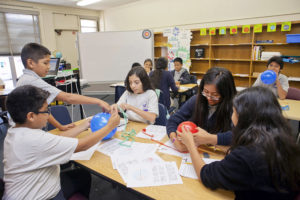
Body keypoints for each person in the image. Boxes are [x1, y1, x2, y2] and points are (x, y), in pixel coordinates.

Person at [179, 86, 300, 199]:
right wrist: (215, 142)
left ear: (244, 117)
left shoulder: (247, 156)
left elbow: (206, 175)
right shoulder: (280, 138)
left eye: (234, 112)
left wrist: (190, 145)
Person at [3, 85, 120, 200]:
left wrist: (86, 124)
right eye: (46, 111)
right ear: (31, 116)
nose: (48, 115)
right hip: (41, 196)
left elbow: (58, 139)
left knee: (82, 176)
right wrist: (110, 126)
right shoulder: (34, 140)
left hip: (27, 188)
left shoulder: (16, 132)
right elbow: (82, 145)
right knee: (82, 177)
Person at [17, 43, 111, 131]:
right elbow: (68, 98)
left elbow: (42, 109)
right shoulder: (32, 81)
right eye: (45, 63)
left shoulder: (27, 78)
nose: (49, 67)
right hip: (27, 134)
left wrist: (60, 126)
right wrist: (99, 101)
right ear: (31, 63)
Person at [166, 67, 236, 152]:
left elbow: (238, 135)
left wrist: (209, 138)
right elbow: (173, 120)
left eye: (215, 95)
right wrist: (175, 141)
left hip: (216, 154)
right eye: (206, 92)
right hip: (197, 151)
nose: (209, 98)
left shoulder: (234, 108)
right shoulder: (196, 100)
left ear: (226, 94)